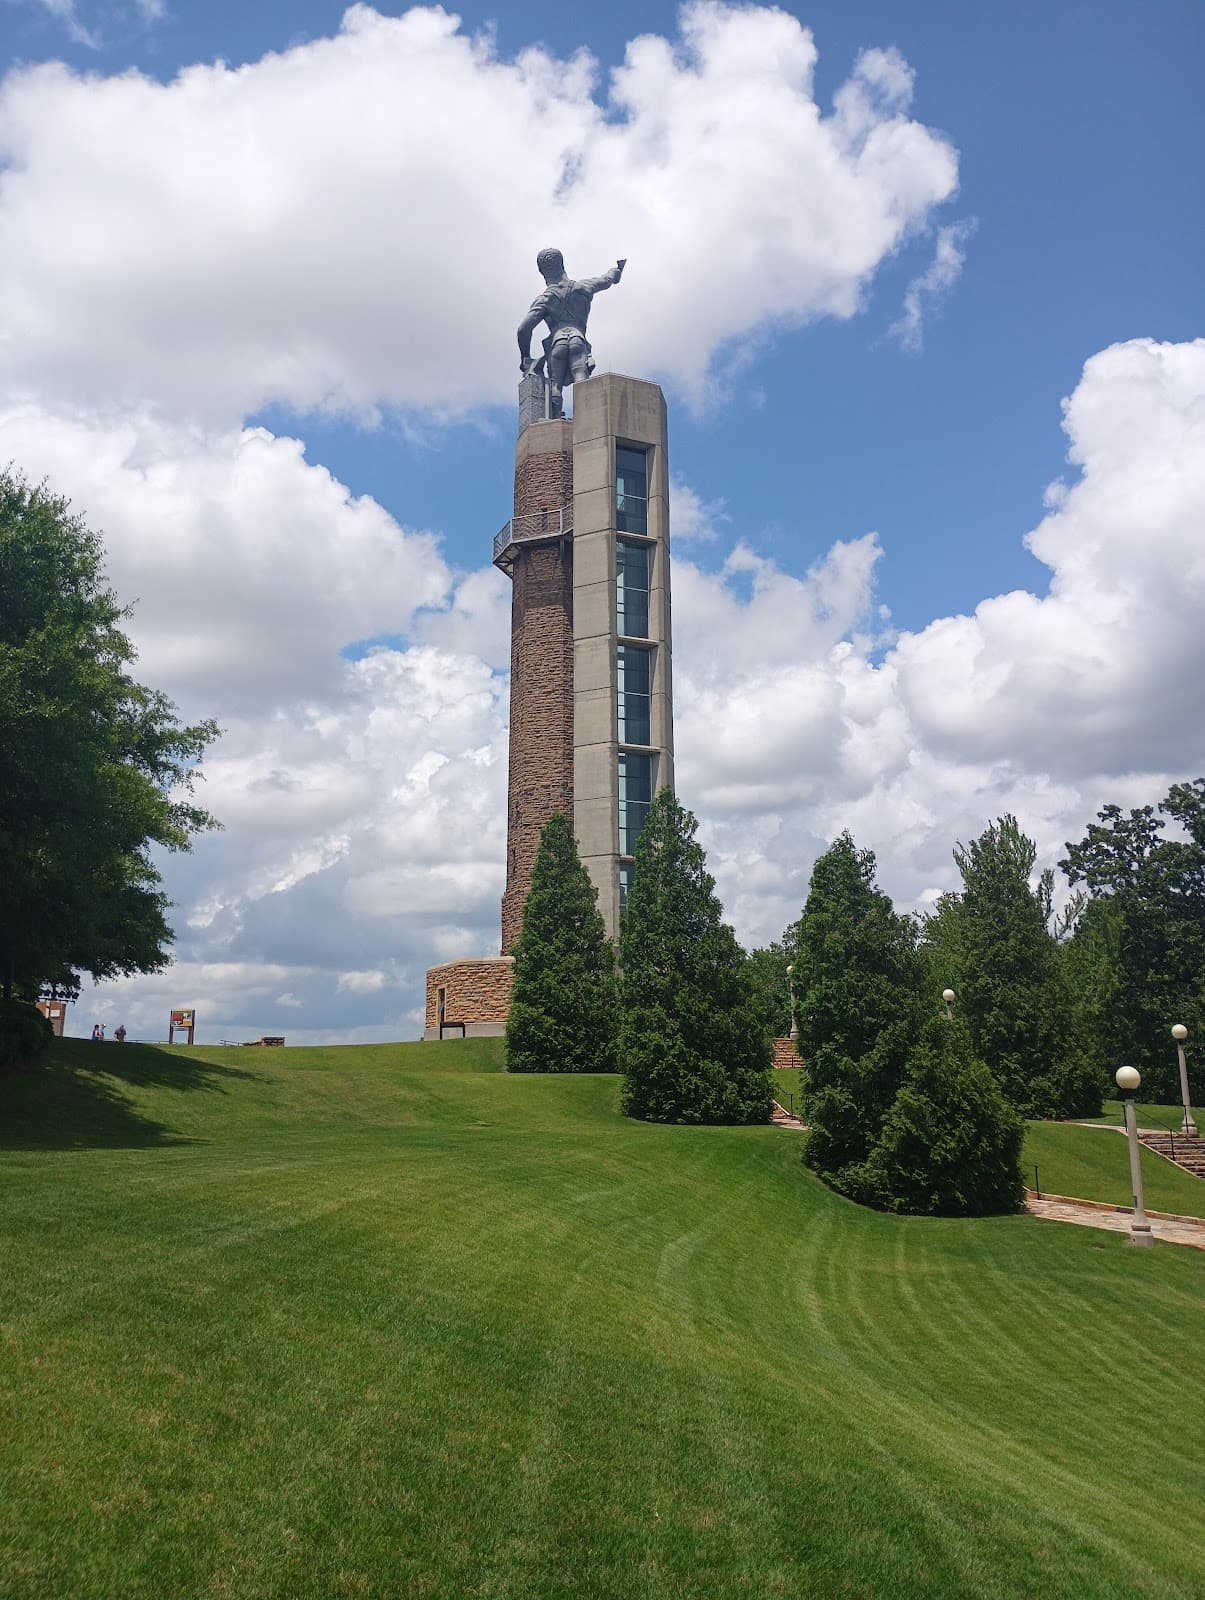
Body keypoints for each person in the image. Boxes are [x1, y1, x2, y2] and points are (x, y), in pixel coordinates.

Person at [517, 248, 626, 419]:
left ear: (542, 272)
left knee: (555, 386)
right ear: (562, 264)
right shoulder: (583, 287)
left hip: (557, 343)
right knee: (581, 380)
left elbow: (523, 329)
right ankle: (585, 422)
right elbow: (606, 280)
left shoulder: (545, 299)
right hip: (578, 340)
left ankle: (554, 420)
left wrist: (525, 358)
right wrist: (617, 271)